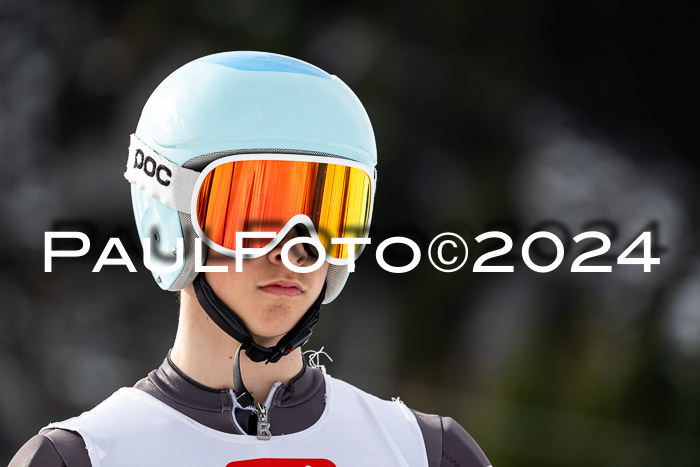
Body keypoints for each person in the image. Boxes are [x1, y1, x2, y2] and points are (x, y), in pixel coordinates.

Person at [11, 51, 491, 467]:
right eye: (254, 213)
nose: (295, 251)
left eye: (328, 214)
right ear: (173, 222)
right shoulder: (82, 458)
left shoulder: (428, 453)